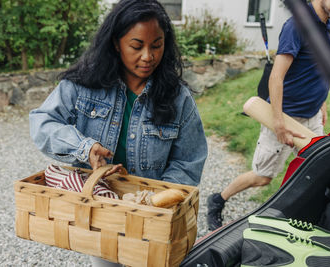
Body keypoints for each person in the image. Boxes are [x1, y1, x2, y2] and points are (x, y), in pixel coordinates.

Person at [29, 0, 208, 265]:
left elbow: (189, 160)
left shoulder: (178, 98)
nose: (148, 56)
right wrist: (84, 148)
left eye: (156, 45)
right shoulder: (84, 84)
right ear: (116, 43)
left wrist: (152, 203)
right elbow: (43, 122)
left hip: (154, 224)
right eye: (136, 46)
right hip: (103, 216)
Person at [206, 0, 330, 231]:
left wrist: (321, 103)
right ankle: (218, 199)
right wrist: (278, 123)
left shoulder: (325, 26)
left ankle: (305, 222)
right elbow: (276, 77)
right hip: (285, 118)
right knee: (263, 176)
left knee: (318, 170)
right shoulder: (297, 26)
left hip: (311, 117)